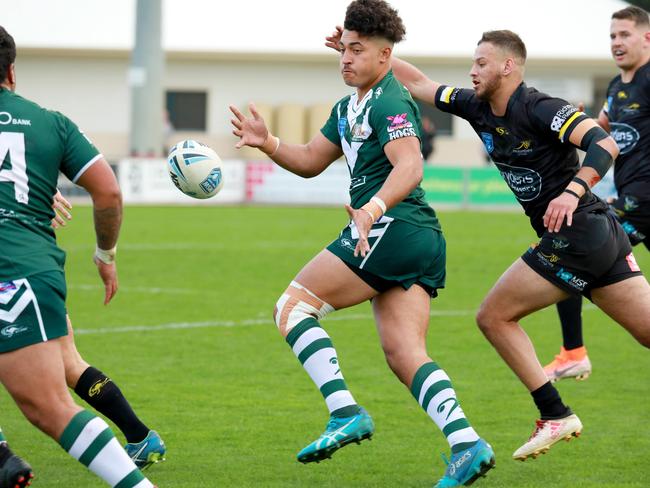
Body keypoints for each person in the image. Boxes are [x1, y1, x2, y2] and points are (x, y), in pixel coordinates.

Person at [351, 28, 650, 462]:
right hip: (597, 236)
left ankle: (555, 413)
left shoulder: (540, 106)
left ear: (508, 66)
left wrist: (571, 191)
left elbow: (603, 143)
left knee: (493, 316)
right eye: (472, 64)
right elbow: (417, 83)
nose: (473, 72)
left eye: (482, 63)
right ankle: (555, 412)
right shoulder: (475, 106)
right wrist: (372, 53)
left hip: (578, 231)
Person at [231, 1, 495, 486]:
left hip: (389, 228)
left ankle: (344, 412)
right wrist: (268, 142)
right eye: (343, 49)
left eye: (358, 51)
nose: (346, 59)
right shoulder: (349, 105)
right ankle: (467, 443)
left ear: (385, 56)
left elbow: (410, 164)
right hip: (416, 236)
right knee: (404, 354)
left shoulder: (389, 100)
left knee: (291, 308)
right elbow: (311, 160)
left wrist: (372, 209)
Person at [0, 26, 157, 487]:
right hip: (31, 270)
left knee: (50, 405)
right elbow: (107, 190)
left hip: (10, 272)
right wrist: (105, 254)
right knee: (61, 377)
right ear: (11, 70)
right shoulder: (50, 122)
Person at [543, 5, 650, 383]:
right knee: (568, 246)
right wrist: (575, 120)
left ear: (646, 38)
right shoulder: (618, 86)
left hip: (641, 205)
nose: (617, 43)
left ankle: (573, 353)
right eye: (612, 36)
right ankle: (573, 352)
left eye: (625, 35)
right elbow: (602, 128)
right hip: (636, 205)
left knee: (568, 245)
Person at [51, 192, 167, 469]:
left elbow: (108, 190)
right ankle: (140, 436)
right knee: (69, 363)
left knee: (51, 385)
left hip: (14, 267)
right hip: (41, 264)